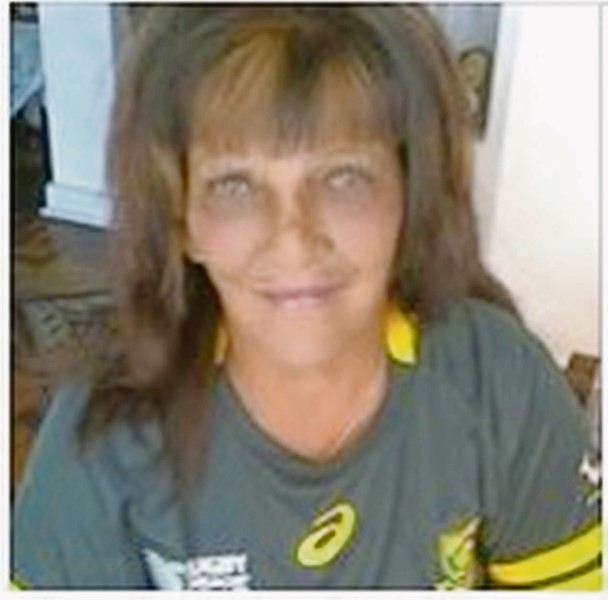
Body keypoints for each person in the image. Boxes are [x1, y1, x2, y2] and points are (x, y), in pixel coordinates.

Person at [12, 5, 601, 590]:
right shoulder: (103, 438)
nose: (292, 239)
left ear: (410, 194)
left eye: (344, 178)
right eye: (235, 186)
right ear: (182, 218)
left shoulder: (500, 386)